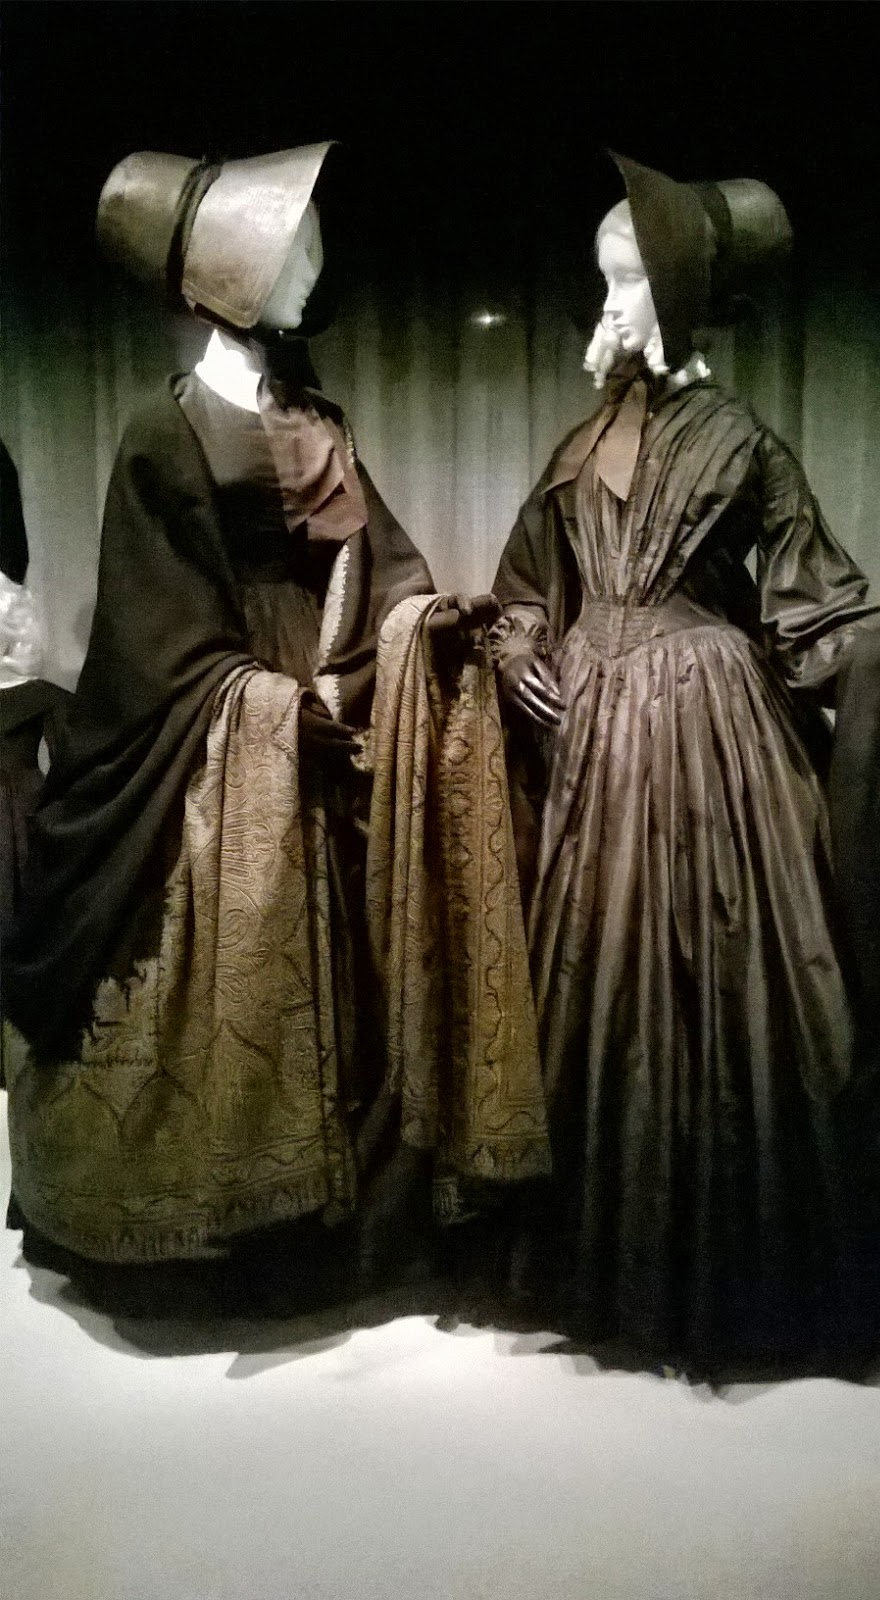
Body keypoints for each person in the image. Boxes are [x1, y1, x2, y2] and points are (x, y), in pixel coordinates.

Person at [2, 143, 536, 1314]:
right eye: (293, 249)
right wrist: (265, 706)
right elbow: (153, 629)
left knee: (365, 935)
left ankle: (352, 1216)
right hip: (218, 718)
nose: (312, 268)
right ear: (228, 270)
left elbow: (381, 566)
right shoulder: (162, 430)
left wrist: (424, 627)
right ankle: (237, 1231)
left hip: (332, 703)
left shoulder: (315, 418)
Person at [490, 153, 880, 1375]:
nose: (606, 307)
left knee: (718, 970)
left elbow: (817, 610)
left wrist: (871, 653)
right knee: (591, 969)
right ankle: (592, 1257)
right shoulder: (579, 443)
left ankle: (733, 1270)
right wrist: (520, 641)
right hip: (591, 738)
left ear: (673, 300)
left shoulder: (745, 444)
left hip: (712, 739)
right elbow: (526, 581)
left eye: (625, 284)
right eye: (604, 283)